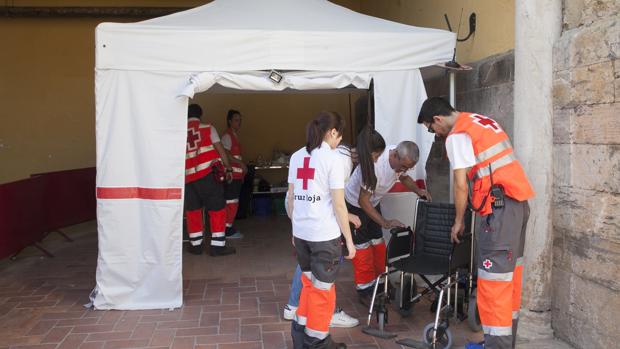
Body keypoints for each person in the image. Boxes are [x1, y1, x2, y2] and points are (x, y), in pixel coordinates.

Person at [417, 97, 534, 349]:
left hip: (498, 212)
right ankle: (505, 341)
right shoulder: (482, 121)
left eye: (430, 128)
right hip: (517, 205)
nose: (433, 133)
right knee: (510, 278)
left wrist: (459, 221)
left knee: (493, 284)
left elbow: (460, 185)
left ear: (437, 119)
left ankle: (496, 345)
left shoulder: (458, 135)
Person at [288, 111, 356, 349]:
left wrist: (295, 228)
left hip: (302, 235)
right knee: (323, 292)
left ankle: (300, 333)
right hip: (324, 238)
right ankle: (317, 341)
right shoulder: (333, 159)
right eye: (339, 136)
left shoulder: (297, 156)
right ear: (333, 132)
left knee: (309, 285)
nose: (339, 142)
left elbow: (291, 199)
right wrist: (349, 241)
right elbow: (338, 204)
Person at [345, 128, 430, 304]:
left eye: (409, 167)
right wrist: (384, 222)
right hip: (355, 205)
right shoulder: (374, 166)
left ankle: (380, 282)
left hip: (372, 203)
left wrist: (418, 190)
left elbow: (404, 177)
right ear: (395, 156)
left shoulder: (400, 159)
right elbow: (363, 201)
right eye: (404, 166)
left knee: (378, 244)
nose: (405, 170)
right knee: (362, 249)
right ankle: (365, 290)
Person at [282, 145, 360, 329]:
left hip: (299, 209)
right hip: (313, 214)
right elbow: (335, 201)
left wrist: (295, 228)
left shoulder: (301, 154)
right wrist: (348, 233)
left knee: (308, 267)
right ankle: (327, 315)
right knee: (323, 268)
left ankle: (295, 307)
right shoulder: (340, 159)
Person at [184, 103, 236, 257]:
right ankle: (217, 246)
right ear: (200, 115)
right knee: (217, 209)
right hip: (208, 176)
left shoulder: (179, 131)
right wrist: (228, 168)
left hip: (188, 178)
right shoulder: (207, 128)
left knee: (193, 211)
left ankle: (196, 245)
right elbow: (220, 150)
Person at [221, 109, 247, 239]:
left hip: (237, 175)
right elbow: (225, 154)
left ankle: (228, 227)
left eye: (240, 120)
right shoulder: (227, 136)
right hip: (231, 176)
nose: (239, 122)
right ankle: (227, 229)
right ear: (229, 121)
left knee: (233, 202)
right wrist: (240, 164)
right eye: (236, 120)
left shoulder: (234, 135)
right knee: (231, 202)